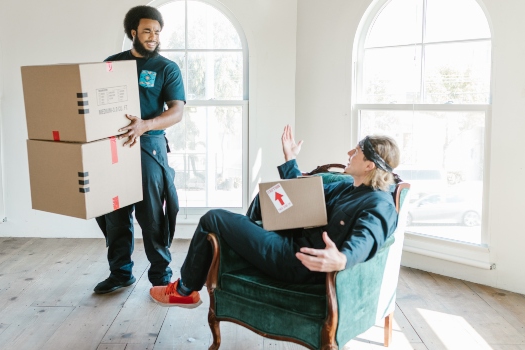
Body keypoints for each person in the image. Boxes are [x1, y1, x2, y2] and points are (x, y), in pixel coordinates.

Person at [148, 125, 400, 308]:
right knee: (265, 197)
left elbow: (369, 237)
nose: (349, 153)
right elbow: (303, 195)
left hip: (295, 260)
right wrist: (290, 158)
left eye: (356, 151)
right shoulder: (348, 185)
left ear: (370, 166)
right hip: (292, 240)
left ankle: (185, 290)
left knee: (212, 218)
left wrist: (343, 259)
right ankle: (234, 257)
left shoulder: (379, 204)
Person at [94, 5, 186, 294]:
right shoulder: (112, 64)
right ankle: (120, 273)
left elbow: (177, 112)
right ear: (133, 32)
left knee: (152, 217)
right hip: (114, 148)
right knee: (115, 213)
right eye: (147, 31)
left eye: (157, 32)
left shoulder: (166, 68)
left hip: (149, 147)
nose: (153, 37)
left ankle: (160, 277)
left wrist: (144, 126)